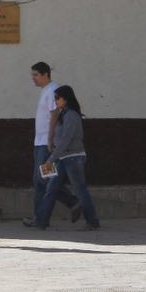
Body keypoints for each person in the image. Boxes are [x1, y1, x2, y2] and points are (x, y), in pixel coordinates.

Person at [37, 84, 100, 231]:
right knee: (51, 188)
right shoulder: (63, 114)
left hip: (73, 158)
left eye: (57, 98)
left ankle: (92, 220)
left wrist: (51, 159)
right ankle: (41, 220)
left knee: (80, 190)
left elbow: (66, 139)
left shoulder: (71, 115)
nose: (56, 101)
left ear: (66, 99)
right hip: (63, 158)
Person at [23, 61, 79, 228]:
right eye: (32, 75)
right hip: (39, 142)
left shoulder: (53, 90)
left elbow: (55, 113)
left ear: (46, 74)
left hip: (45, 144)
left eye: (36, 75)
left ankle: (72, 201)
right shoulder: (46, 91)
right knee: (40, 179)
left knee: (43, 177)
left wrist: (50, 138)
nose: (33, 79)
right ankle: (40, 217)